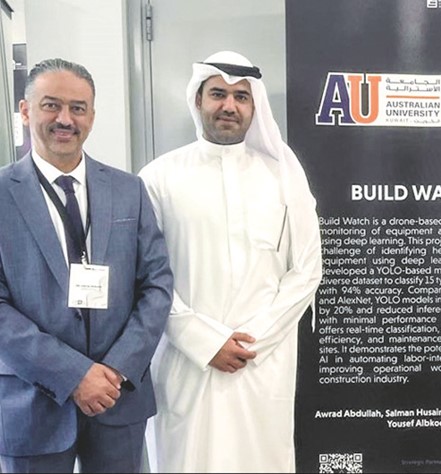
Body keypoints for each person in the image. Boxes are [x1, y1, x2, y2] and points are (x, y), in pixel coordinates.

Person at [139, 50, 322, 472]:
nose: (229, 105)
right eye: (218, 94)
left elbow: (306, 269)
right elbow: (147, 275)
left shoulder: (284, 177)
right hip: (186, 363)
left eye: (241, 96)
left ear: (255, 106)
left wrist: (251, 342)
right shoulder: (158, 177)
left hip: (261, 363)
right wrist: (205, 342)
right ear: (198, 99)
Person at [0, 58, 173, 473]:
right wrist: (74, 375)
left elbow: (157, 284)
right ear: (25, 111)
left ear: (92, 116)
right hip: (31, 402)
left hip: (118, 399)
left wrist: (115, 369)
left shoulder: (129, 190)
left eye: (78, 108)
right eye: (51, 105)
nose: (65, 119)